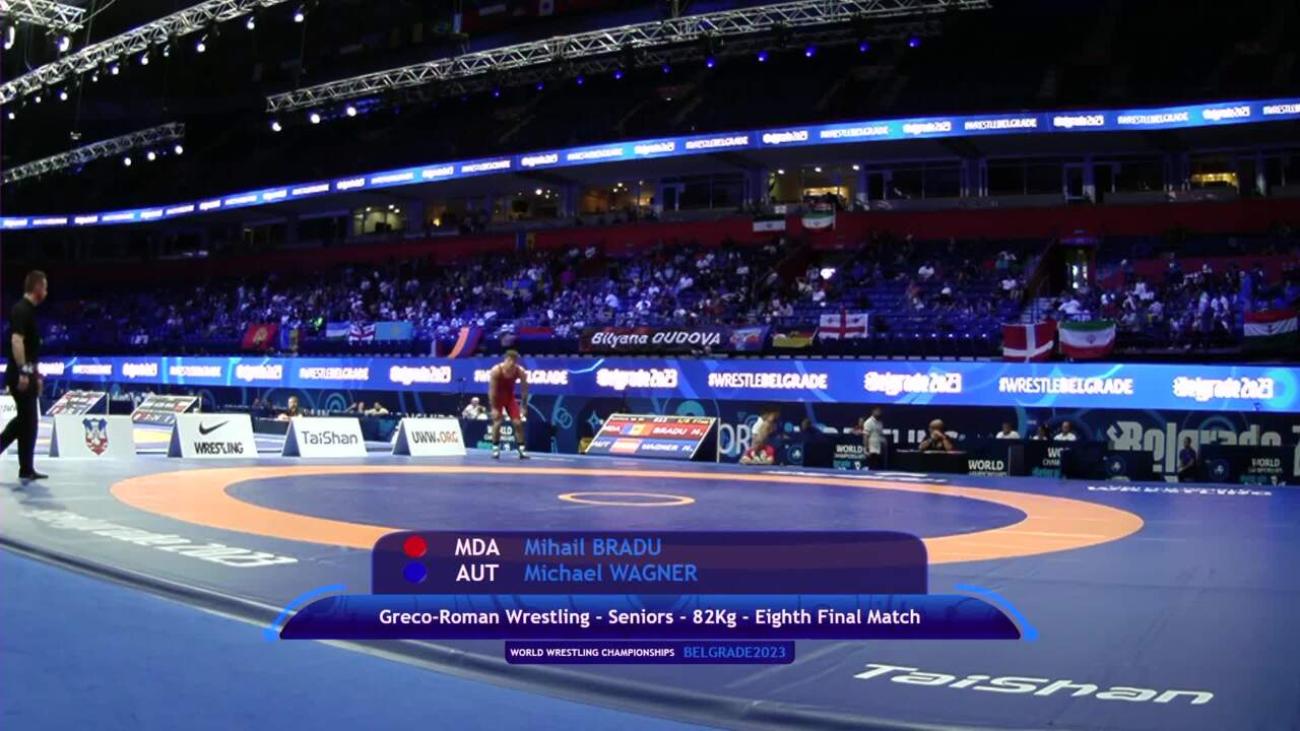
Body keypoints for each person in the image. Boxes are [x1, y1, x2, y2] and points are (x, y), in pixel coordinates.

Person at [1, 271, 49, 481]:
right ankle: (26, 468)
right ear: (37, 287)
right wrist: (23, 371)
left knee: (27, 420)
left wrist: (36, 376)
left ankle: (26, 468)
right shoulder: (21, 309)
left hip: (27, 374)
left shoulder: (30, 312)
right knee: (26, 420)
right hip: (19, 375)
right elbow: (17, 341)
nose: (46, 292)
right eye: (44, 287)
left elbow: (31, 350)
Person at [488, 349, 529, 459]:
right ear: (506, 359)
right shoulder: (496, 370)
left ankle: (522, 450)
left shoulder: (520, 371)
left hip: (510, 398)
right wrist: (494, 408)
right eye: (510, 360)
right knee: (497, 423)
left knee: (518, 423)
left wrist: (524, 406)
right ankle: (495, 449)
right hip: (497, 399)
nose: (512, 363)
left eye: (514, 361)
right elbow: (492, 391)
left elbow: (525, 389)